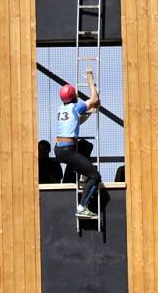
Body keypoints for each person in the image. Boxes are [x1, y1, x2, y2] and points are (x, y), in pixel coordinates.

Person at [54, 68, 101, 219]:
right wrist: (90, 81)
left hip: (59, 149)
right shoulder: (76, 107)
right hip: (68, 150)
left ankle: (82, 174)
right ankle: (82, 207)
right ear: (74, 96)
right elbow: (93, 100)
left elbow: (77, 122)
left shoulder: (61, 109)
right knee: (95, 175)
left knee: (85, 146)